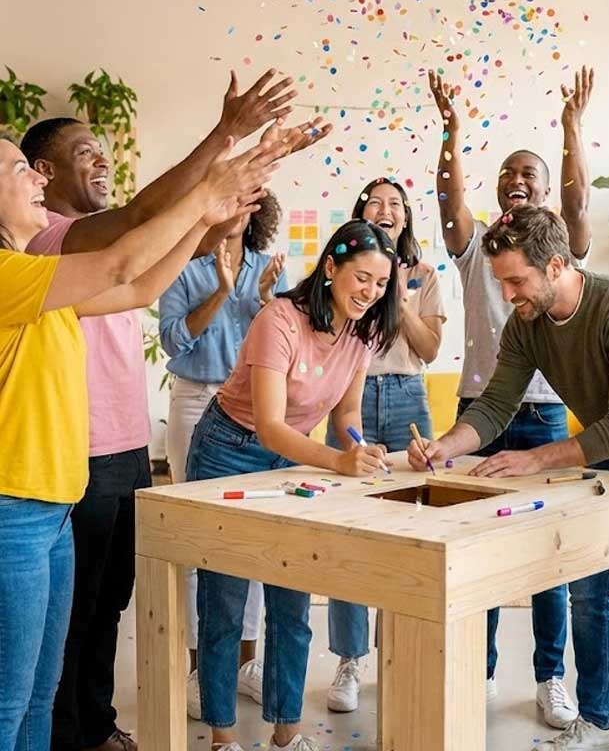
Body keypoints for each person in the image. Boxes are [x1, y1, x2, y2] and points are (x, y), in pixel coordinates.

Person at [19, 67, 330, 751]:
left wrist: (223, 204)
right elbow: (135, 230)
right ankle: (70, 732)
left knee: (107, 604)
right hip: (79, 453)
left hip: (125, 444)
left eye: (102, 147)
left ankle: (92, 725)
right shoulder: (46, 236)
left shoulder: (88, 241)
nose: (100, 157)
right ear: (39, 174)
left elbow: (154, 254)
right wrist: (226, 141)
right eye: (82, 151)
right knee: (67, 620)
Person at [408, 204, 609, 751]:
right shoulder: (528, 323)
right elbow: (496, 403)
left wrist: (537, 459)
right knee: (590, 591)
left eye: (516, 281)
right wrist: (443, 448)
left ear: (554, 265)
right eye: (501, 283)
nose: (508, 296)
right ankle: (596, 720)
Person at [185, 219, 400, 751]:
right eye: (362, 278)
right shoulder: (278, 319)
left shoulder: (361, 333)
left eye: (380, 284)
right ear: (331, 268)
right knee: (225, 602)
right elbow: (271, 425)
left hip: (293, 460)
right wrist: (338, 461)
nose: (370, 293)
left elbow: (347, 411)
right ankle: (223, 736)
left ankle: (288, 732)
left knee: (292, 600)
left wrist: (358, 445)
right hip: (228, 451)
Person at [425, 65, 594, 725]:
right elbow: (447, 205)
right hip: (482, 415)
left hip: (549, 415)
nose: (517, 182)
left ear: (545, 190)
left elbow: (579, 208)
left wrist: (572, 128)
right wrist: (451, 130)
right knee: (477, 551)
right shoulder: (478, 251)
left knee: (547, 553)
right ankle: (480, 669)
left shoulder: (558, 250)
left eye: (530, 176)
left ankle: (551, 676)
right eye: (507, 176)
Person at [160, 190, 289, 719]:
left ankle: (245, 665)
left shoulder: (270, 268)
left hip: (257, 406)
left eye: (250, 201)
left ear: (258, 212)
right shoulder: (183, 267)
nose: (240, 208)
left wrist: (261, 299)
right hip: (196, 403)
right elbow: (173, 342)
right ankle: (200, 669)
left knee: (256, 542)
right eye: (232, 197)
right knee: (202, 546)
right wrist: (220, 292)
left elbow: (288, 334)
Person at [324, 177, 446, 712]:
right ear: (360, 214)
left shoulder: (422, 276)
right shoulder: (347, 273)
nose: (385, 208)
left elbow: (431, 349)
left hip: (405, 396)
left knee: (414, 527)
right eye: (375, 202)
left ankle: (402, 652)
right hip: (349, 396)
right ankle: (350, 660)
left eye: (396, 202)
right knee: (347, 529)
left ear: (407, 218)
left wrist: (399, 294)